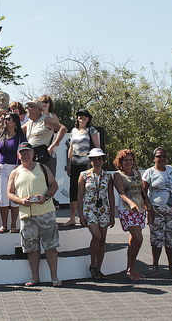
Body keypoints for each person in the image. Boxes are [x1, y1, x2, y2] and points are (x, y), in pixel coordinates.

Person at [7, 142, 61, 287]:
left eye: (27, 152)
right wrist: (21, 201)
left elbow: (54, 185)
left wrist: (46, 197)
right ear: (18, 155)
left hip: (46, 213)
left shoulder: (42, 168)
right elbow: (9, 193)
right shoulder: (15, 172)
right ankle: (35, 277)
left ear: (32, 154)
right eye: (22, 153)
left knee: (50, 246)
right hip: (26, 216)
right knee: (31, 248)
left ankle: (54, 277)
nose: (25, 155)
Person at [77, 148, 114, 281]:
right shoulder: (84, 175)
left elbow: (111, 195)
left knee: (102, 240)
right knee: (96, 236)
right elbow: (79, 196)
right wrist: (80, 215)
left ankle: (99, 268)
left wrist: (112, 214)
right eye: (94, 159)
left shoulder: (108, 176)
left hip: (104, 209)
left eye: (99, 159)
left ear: (103, 160)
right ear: (91, 161)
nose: (97, 162)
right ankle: (93, 265)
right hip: (89, 209)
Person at [142, 147, 172, 275]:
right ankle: (155, 266)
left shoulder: (171, 170)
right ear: (154, 158)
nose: (162, 158)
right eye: (158, 156)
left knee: (170, 237)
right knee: (157, 238)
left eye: (164, 156)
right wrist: (149, 208)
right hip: (156, 209)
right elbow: (144, 192)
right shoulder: (149, 172)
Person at [112, 149, 148, 281]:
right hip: (127, 208)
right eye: (125, 160)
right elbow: (121, 192)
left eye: (130, 160)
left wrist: (147, 205)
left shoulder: (137, 173)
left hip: (140, 209)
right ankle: (131, 267)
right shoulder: (118, 175)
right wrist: (131, 203)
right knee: (138, 238)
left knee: (134, 239)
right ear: (120, 162)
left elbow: (142, 191)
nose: (128, 162)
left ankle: (131, 268)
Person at [65, 109, 100, 226]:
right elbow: (71, 148)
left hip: (87, 163)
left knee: (87, 190)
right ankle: (72, 218)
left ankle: (86, 216)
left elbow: (97, 147)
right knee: (73, 190)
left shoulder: (91, 130)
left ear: (88, 119)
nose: (82, 117)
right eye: (80, 115)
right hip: (75, 162)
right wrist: (69, 165)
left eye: (85, 116)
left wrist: (97, 164)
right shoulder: (73, 131)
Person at [0, 112, 26, 233]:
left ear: (15, 122)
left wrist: (20, 165)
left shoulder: (20, 137)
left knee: (14, 197)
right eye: (5, 119)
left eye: (8, 119)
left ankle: (13, 225)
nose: (5, 121)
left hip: (15, 169)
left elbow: (25, 152)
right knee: (3, 197)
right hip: (1, 169)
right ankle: (4, 225)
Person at [22, 100, 67, 178]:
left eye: (28, 107)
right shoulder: (28, 123)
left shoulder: (46, 119)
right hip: (33, 157)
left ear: (35, 109)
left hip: (45, 157)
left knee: (47, 180)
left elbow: (63, 129)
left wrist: (53, 145)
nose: (26, 110)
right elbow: (16, 131)